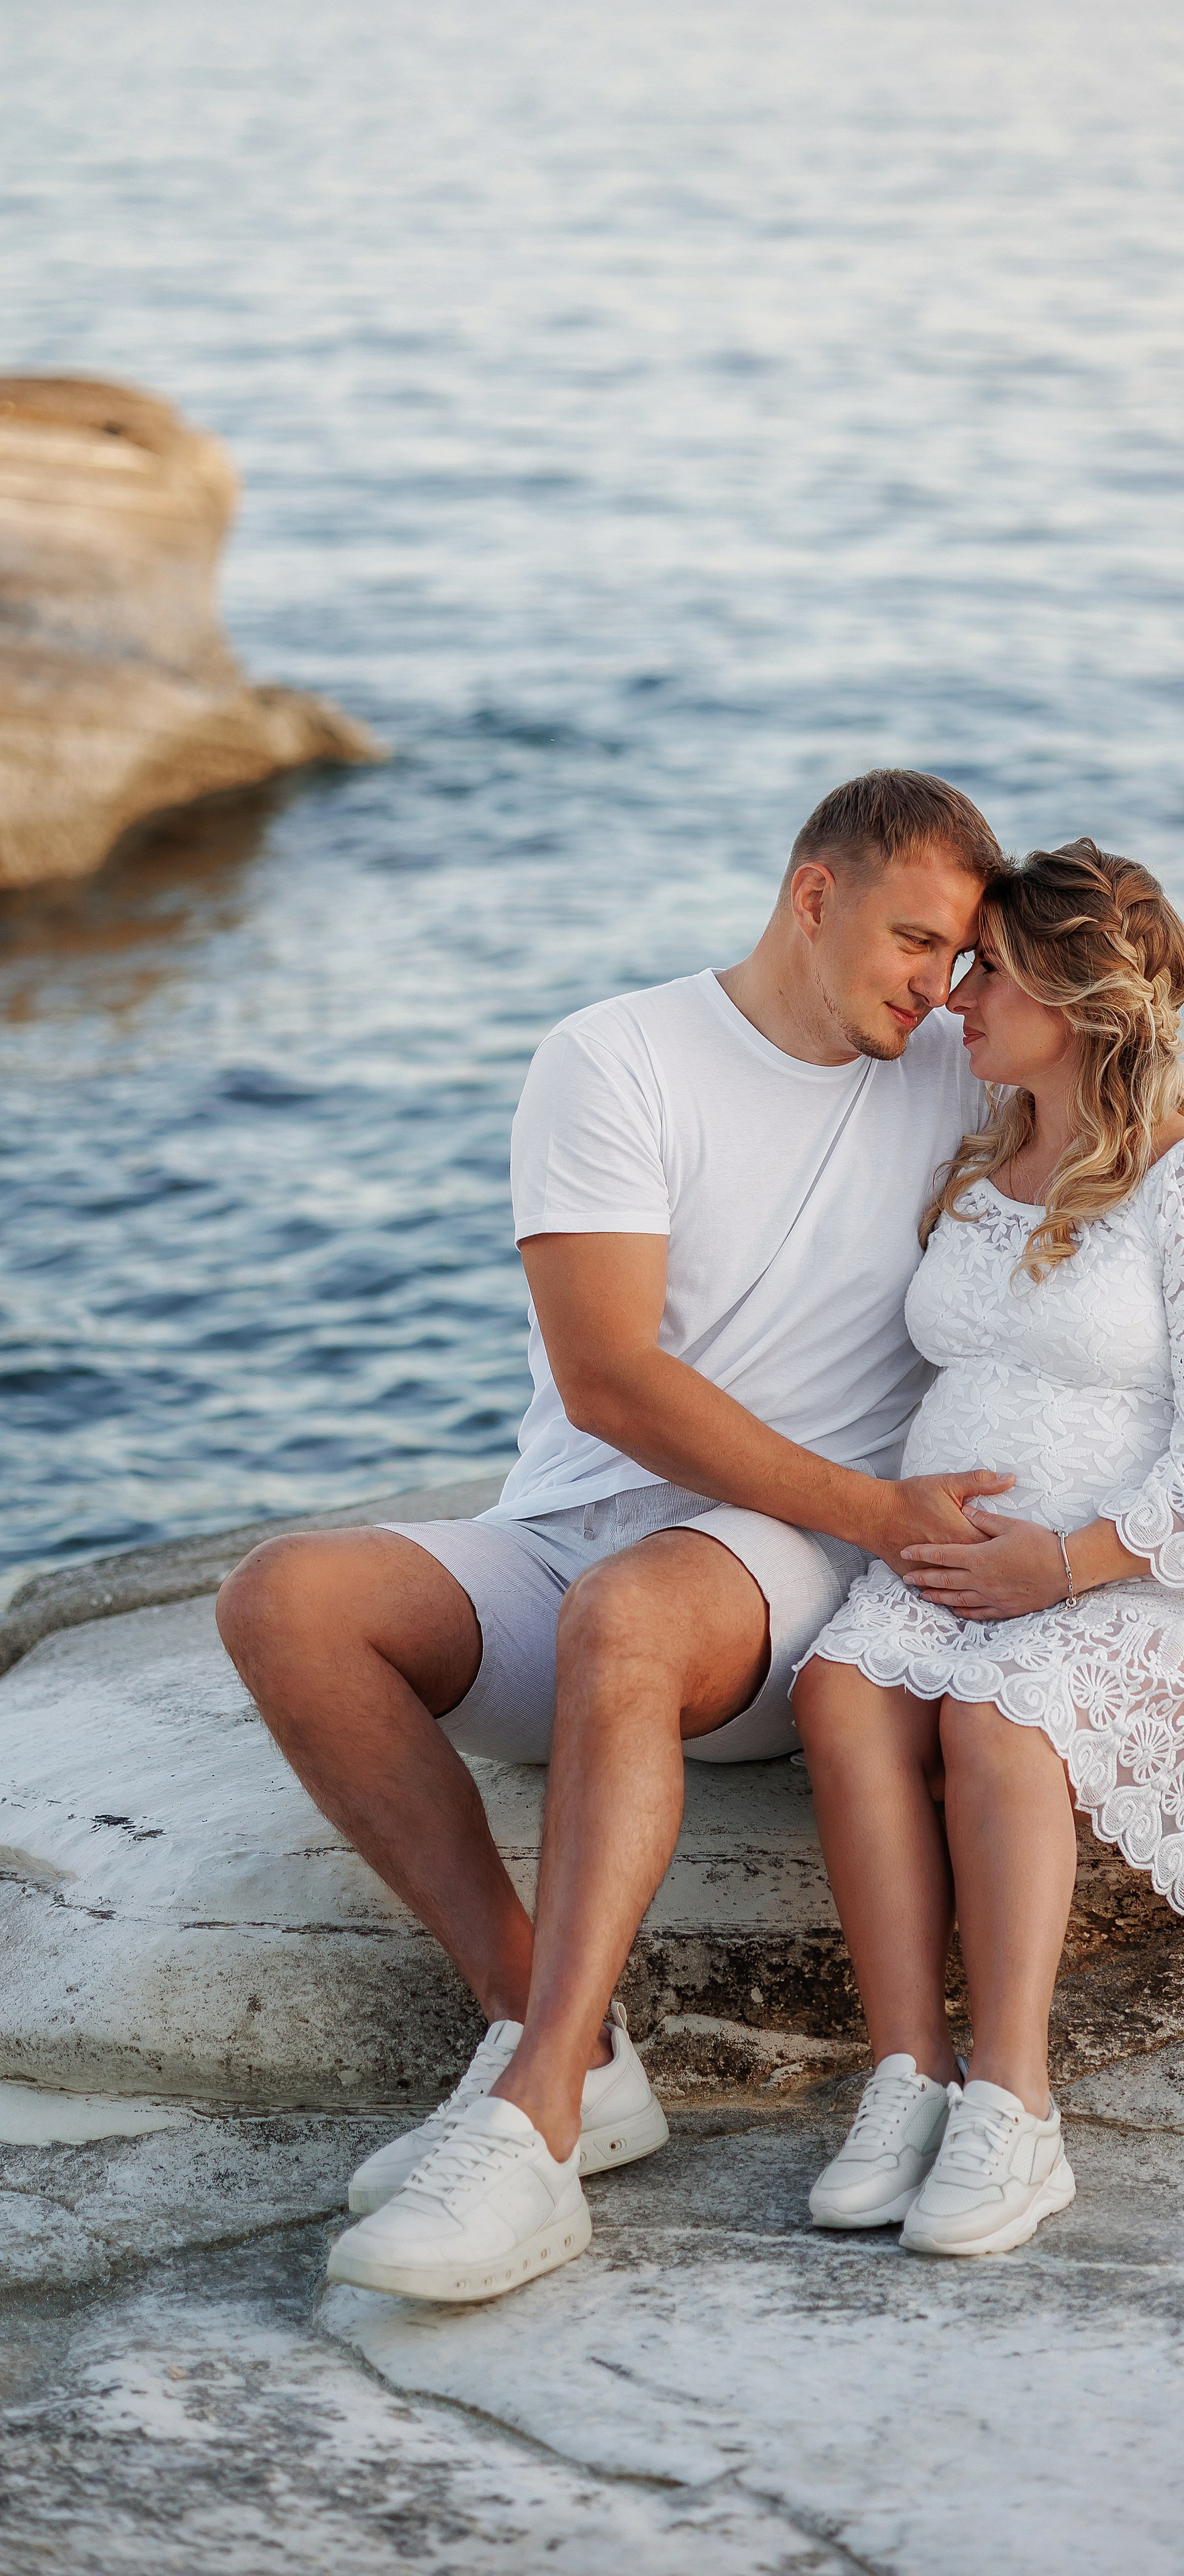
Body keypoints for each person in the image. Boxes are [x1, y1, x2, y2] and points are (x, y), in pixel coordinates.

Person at [215, 769, 1016, 2304]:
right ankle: (562, 2033)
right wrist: (882, 1504)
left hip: (788, 1588)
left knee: (633, 1613)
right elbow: (608, 1378)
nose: (935, 986)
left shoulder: (958, 1071)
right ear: (812, 895)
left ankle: (528, 2131)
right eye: (914, 941)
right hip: (576, 1538)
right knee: (286, 1599)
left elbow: (1136, 1132)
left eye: (959, 960)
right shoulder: (615, 1055)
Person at [792, 839, 1184, 2259]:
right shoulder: (981, 1155)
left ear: (1081, 1005)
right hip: (969, 1570)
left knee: (992, 1718)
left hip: (1146, 1577)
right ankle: (904, 2076)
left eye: (992, 977)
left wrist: (1061, 1564)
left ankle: (1014, 2110)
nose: (957, 1000)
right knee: (839, 1693)